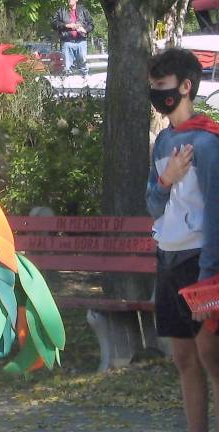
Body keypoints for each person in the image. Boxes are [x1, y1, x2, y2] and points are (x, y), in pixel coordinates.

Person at [146, 48, 219, 432]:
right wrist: (167, 178)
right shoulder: (162, 143)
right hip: (168, 258)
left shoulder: (209, 144)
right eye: (152, 87)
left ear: (185, 86)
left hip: (199, 262)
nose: (156, 94)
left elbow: (217, 213)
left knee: (212, 357)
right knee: (184, 359)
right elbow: (153, 204)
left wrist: (210, 274)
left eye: (162, 86)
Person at [51, 0, 93, 76]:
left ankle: (85, 83)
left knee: (83, 66)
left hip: (81, 42)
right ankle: (68, 85)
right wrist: (66, 25)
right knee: (67, 68)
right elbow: (53, 23)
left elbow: (91, 24)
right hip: (67, 42)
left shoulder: (83, 10)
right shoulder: (61, 10)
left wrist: (85, 30)